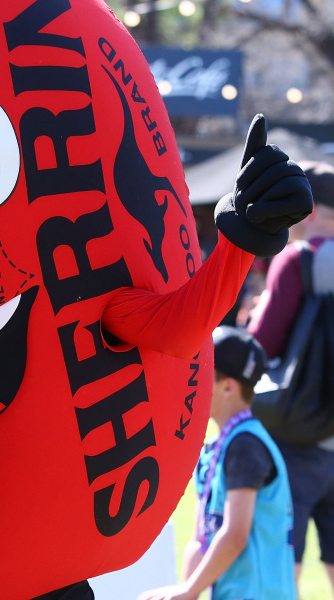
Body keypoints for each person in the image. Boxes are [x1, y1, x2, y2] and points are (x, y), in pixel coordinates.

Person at [139, 326, 296, 600]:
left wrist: (188, 590)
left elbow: (235, 535)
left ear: (227, 387)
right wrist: (184, 592)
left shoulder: (245, 446)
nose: (192, 381)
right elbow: (200, 540)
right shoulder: (215, 447)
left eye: (200, 374)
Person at [247, 159, 334, 595]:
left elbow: (259, 346)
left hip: (296, 438)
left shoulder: (298, 258)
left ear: (309, 209)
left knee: (286, 564)